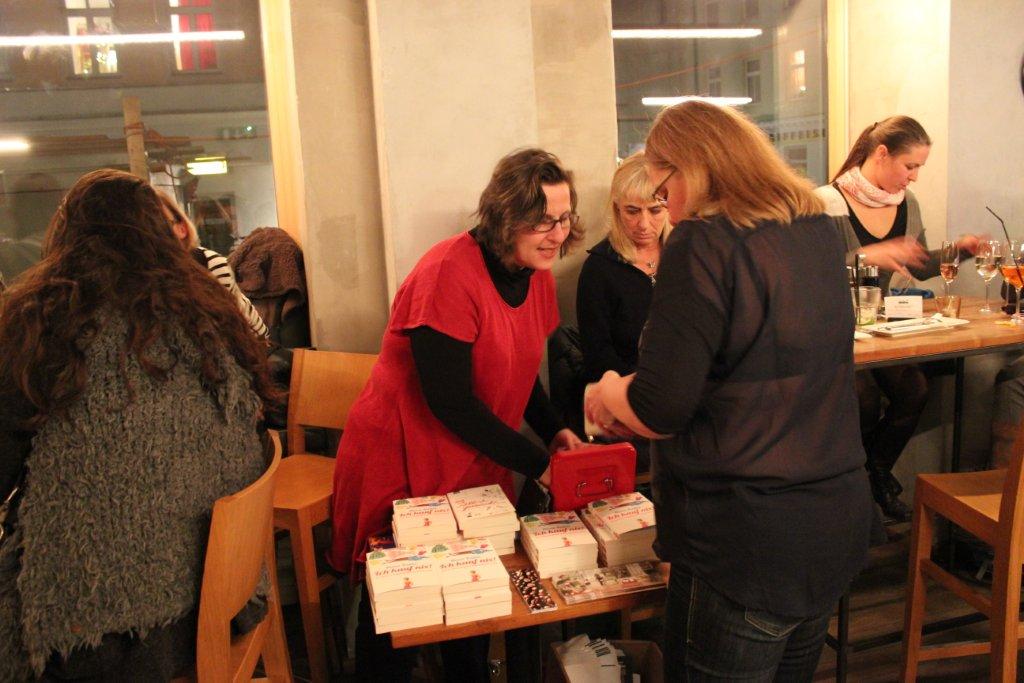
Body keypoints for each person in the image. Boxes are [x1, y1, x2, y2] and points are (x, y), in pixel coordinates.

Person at [585, 101, 874, 681]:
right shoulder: (817, 229)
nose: (667, 209)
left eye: (664, 190)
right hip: (832, 516)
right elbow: (747, 368)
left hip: (746, 537)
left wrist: (608, 391)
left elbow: (659, 409)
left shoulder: (703, 242)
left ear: (691, 169)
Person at [0, 169, 277, 681]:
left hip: (99, 638)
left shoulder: (42, 324)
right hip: (225, 598)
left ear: (66, 234)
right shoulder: (209, 313)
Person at [330, 148, 586, 681]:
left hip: (470, 450)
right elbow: (449, 401)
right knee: (400, 608)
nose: (557, 235)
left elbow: (521, 373)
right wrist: (537, 463)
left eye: (564, 219)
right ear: (506, 215)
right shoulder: (448, 271)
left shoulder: (534, 270)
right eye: (542, 221)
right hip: (403, 448)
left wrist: (556, 430)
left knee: (472, 598)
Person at [814, 116, 977, 522]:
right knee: (863, 399)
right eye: (910, 166)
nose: (915, 176)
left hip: (879, 325)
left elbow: (917, 266)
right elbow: (810, 273)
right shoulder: (827, 202)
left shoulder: (908, 204)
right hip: (832, 326)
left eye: (919, 167)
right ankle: (852, 494)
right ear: (882, 154)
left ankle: (875, 475)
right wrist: (867, 256)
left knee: (914, 391)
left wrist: (960, 251)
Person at [577, 151, 670, 384]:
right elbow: (598, 356)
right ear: (617, 209)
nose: (644, 224)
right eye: (632, 211)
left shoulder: (686, 256)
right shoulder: (599, 269)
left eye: (655, 210)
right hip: (623, 389)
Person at [158, 192, 269, 340]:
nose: (154, 234)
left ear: (182, 228)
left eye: (161, 225)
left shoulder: (208, 264)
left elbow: (238, 331)